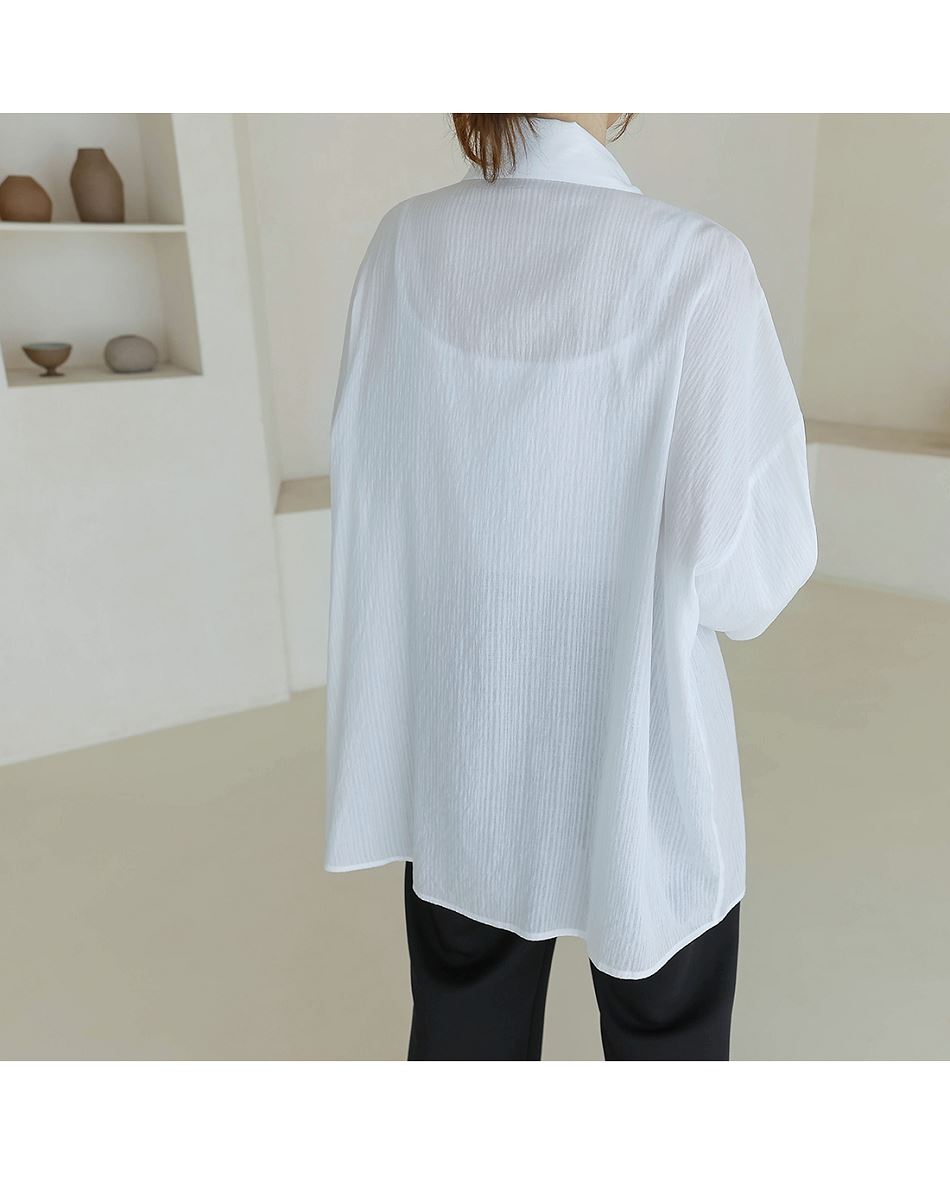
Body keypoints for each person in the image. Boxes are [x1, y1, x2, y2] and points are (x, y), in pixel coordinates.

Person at [324, 113, 818, 1060]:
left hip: (463, 739)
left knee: (467, 1031)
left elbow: (376, 485)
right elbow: (752, 575)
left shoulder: (404, 248)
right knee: (664, 1037)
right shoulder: (695, 266)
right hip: (644, 746)